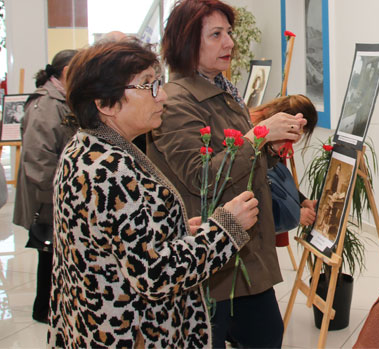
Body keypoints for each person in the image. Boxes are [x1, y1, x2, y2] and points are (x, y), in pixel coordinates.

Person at [49, 41, 259, 348]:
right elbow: (156, 274)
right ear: (105, 104)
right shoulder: (109, 169)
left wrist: (173, 231)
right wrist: (226, 229)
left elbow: (114, 240)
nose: (161, 95)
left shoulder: (86, 149)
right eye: (147, 85)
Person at [147, 0, 307, 348]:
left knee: (267, 335)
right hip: (211, 259)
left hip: (244, 253)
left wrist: (271, 145)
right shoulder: (175, 102)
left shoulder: (224, 90)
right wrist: (260, 135)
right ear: (188, 43)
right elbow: (201, 177)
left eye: (229, 32)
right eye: (216, 35)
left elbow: (243, 164)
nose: (230, 43)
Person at [12, 49, 78, 324]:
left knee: (54, 256)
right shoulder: (46, 105)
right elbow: (38, 160)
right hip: (47, 197)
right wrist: (66, 192)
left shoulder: (62, 100)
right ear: (64, 73)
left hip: (54, 193)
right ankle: (45, 312)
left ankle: (51, 309)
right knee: (49, 254)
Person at [249, 94, 319, 228]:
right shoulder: (254, 132)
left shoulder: (273, 135)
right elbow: (258, 187)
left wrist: (302, 200)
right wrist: (296, 214)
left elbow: (275, 179)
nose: (295, 139)